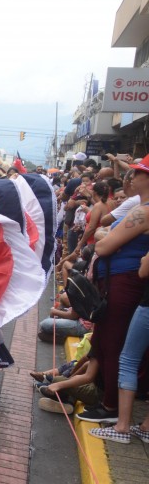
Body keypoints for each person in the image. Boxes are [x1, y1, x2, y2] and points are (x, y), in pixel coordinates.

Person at [85, 155, 149, 427]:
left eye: (137, 173)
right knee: (110, 341)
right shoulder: (140, 208)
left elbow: (102, 245)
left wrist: (106, 237)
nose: (131, 177)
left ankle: (110, 405)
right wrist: (105, 236)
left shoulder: (143, 211)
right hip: (121, 281)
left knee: (114, 343)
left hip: (124, 284)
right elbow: (103, 235)